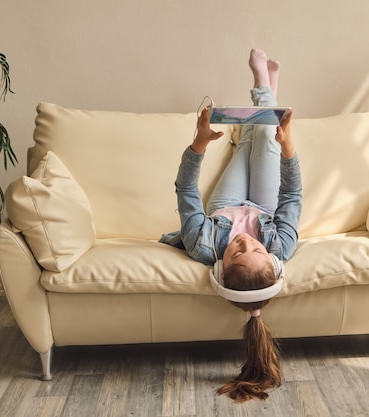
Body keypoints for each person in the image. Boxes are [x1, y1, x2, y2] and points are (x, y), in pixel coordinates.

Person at [159, 48, 302, 402]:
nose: (245, 241)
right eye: (257, 249)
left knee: (244, 148)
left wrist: (199, 144)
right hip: (266, 206)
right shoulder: (280, 245)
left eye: (238, 251)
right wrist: (289, 151)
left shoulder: (204, 244)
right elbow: (291, 196)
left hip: (225, 207)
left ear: (221, 267)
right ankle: (265, 88)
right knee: (269, 143)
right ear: (272, 260)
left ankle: (266, 89)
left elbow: (186, 190)